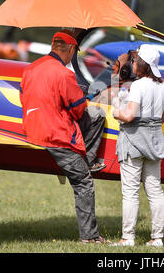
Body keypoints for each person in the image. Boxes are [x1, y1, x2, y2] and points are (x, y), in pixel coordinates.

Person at [19, 29, 108, 243]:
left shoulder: (30, 69)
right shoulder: (64, 73)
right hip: (56, 135)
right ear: (69, 50)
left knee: (93, 117)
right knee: (83, 182)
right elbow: (77, 110)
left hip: (32, 129)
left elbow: (25, 97)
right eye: (73, 53)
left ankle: (85, 161)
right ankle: (90, 237)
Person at [111, 44, 164, 247]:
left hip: (134, 141)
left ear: (142, 64)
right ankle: (157, 238)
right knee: (155, 191)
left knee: (130, 192)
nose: (133, 63)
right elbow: (162, 118)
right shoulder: (163, 87)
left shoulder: (137, 86)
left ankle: (127, 237)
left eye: (135, 61)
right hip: (154, 141)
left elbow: (128, 116)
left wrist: (116, 109)